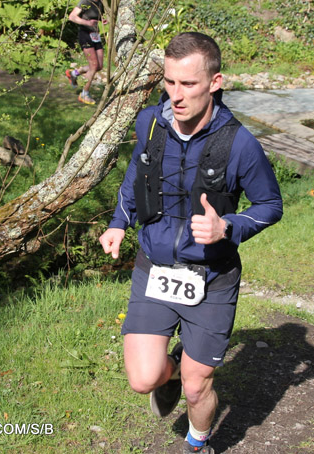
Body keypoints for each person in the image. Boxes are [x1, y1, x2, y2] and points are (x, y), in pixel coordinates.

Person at [99, 32, 283, 454]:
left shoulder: (240, 144)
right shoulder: (150, 124)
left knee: (198, 387)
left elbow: (270, 205)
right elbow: (137, 175)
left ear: (215, 82)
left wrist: (228, 227)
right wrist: (119, 223)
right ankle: (175, 369)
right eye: (169, 82)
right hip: (155, 267)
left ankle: (197, 444)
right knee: (143, 379)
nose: (176, 95)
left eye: (188, 84)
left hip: (212, 276)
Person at [66, 0, 104, 105]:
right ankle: (84, 94)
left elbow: (98, 17)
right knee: (93, 66)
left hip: (95, 35)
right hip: (85, 35)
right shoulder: (85, 1)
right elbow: (72, 16)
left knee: (99, 66)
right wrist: (87, 23)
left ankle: (74, 73)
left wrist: (102, 20)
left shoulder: (101, 2)